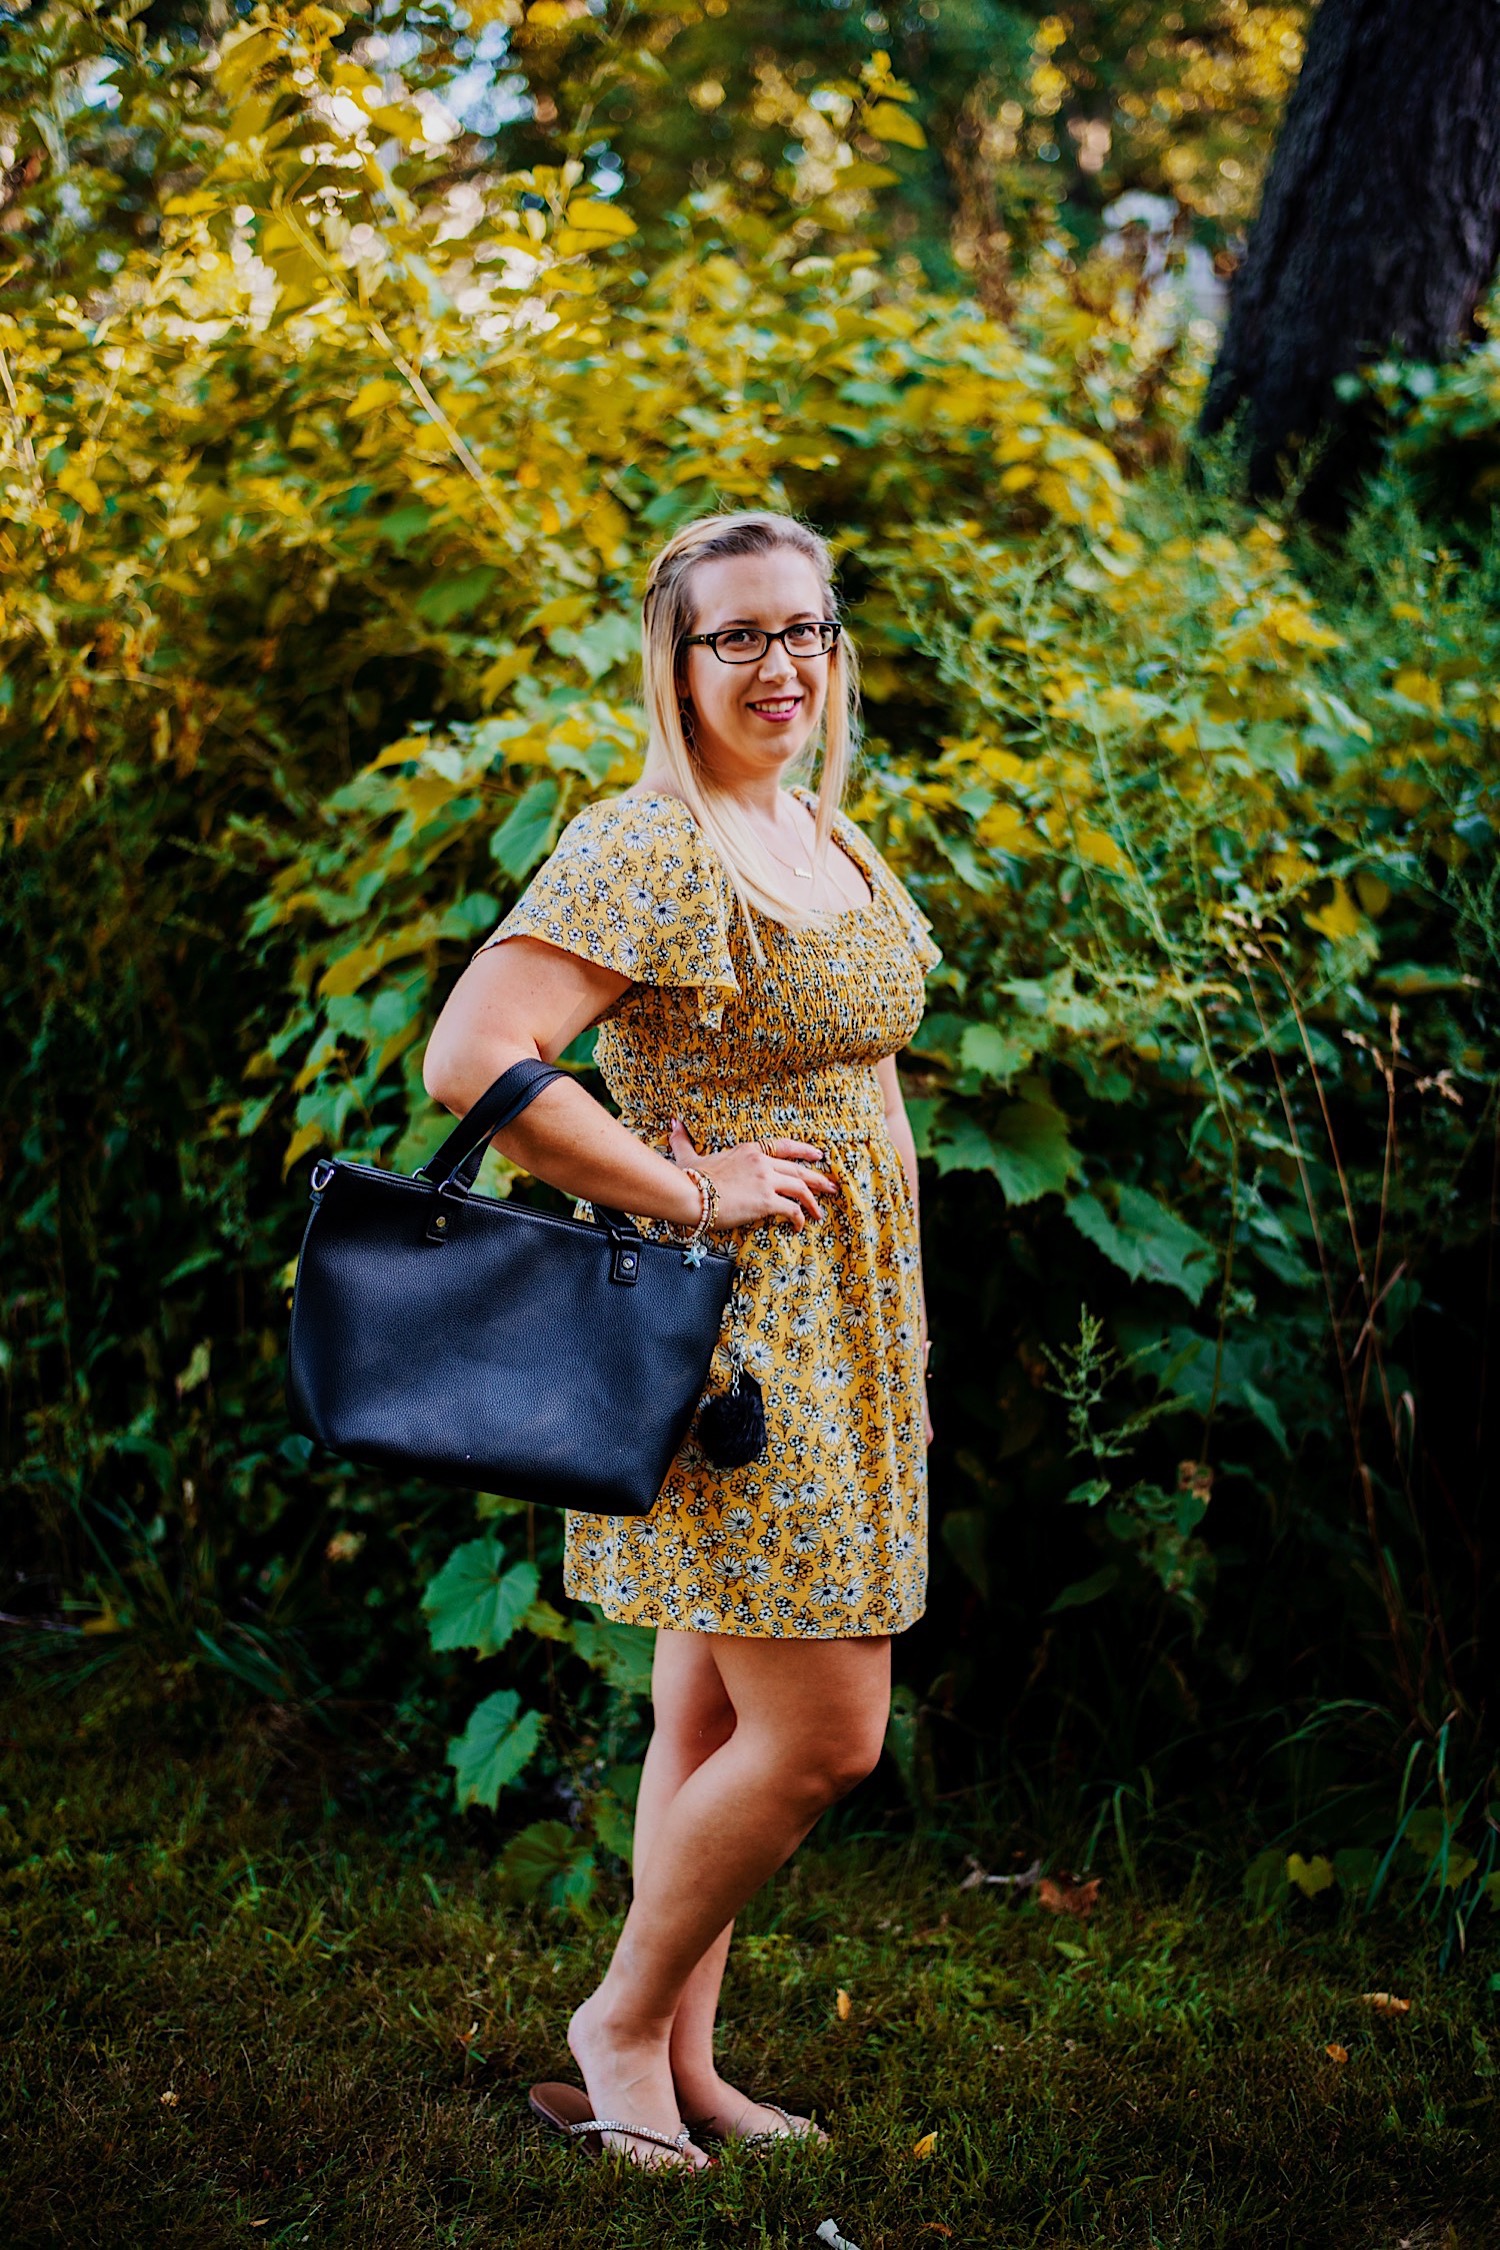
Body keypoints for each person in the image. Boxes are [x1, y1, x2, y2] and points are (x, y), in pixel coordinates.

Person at [421, 510, 939, 2171]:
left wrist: (908, 1326)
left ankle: (685, 2068)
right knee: (826, 1734)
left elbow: (865, 1081)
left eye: (808, 629)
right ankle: (620, 2019)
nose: (783, 664)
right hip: (737, 1344)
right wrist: (683, 1183)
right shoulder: (651, 844)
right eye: (742, 636)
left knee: (708, 1726)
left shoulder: (819, 832)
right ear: (678, 658)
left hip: (853, 1325)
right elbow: (475, 1058)